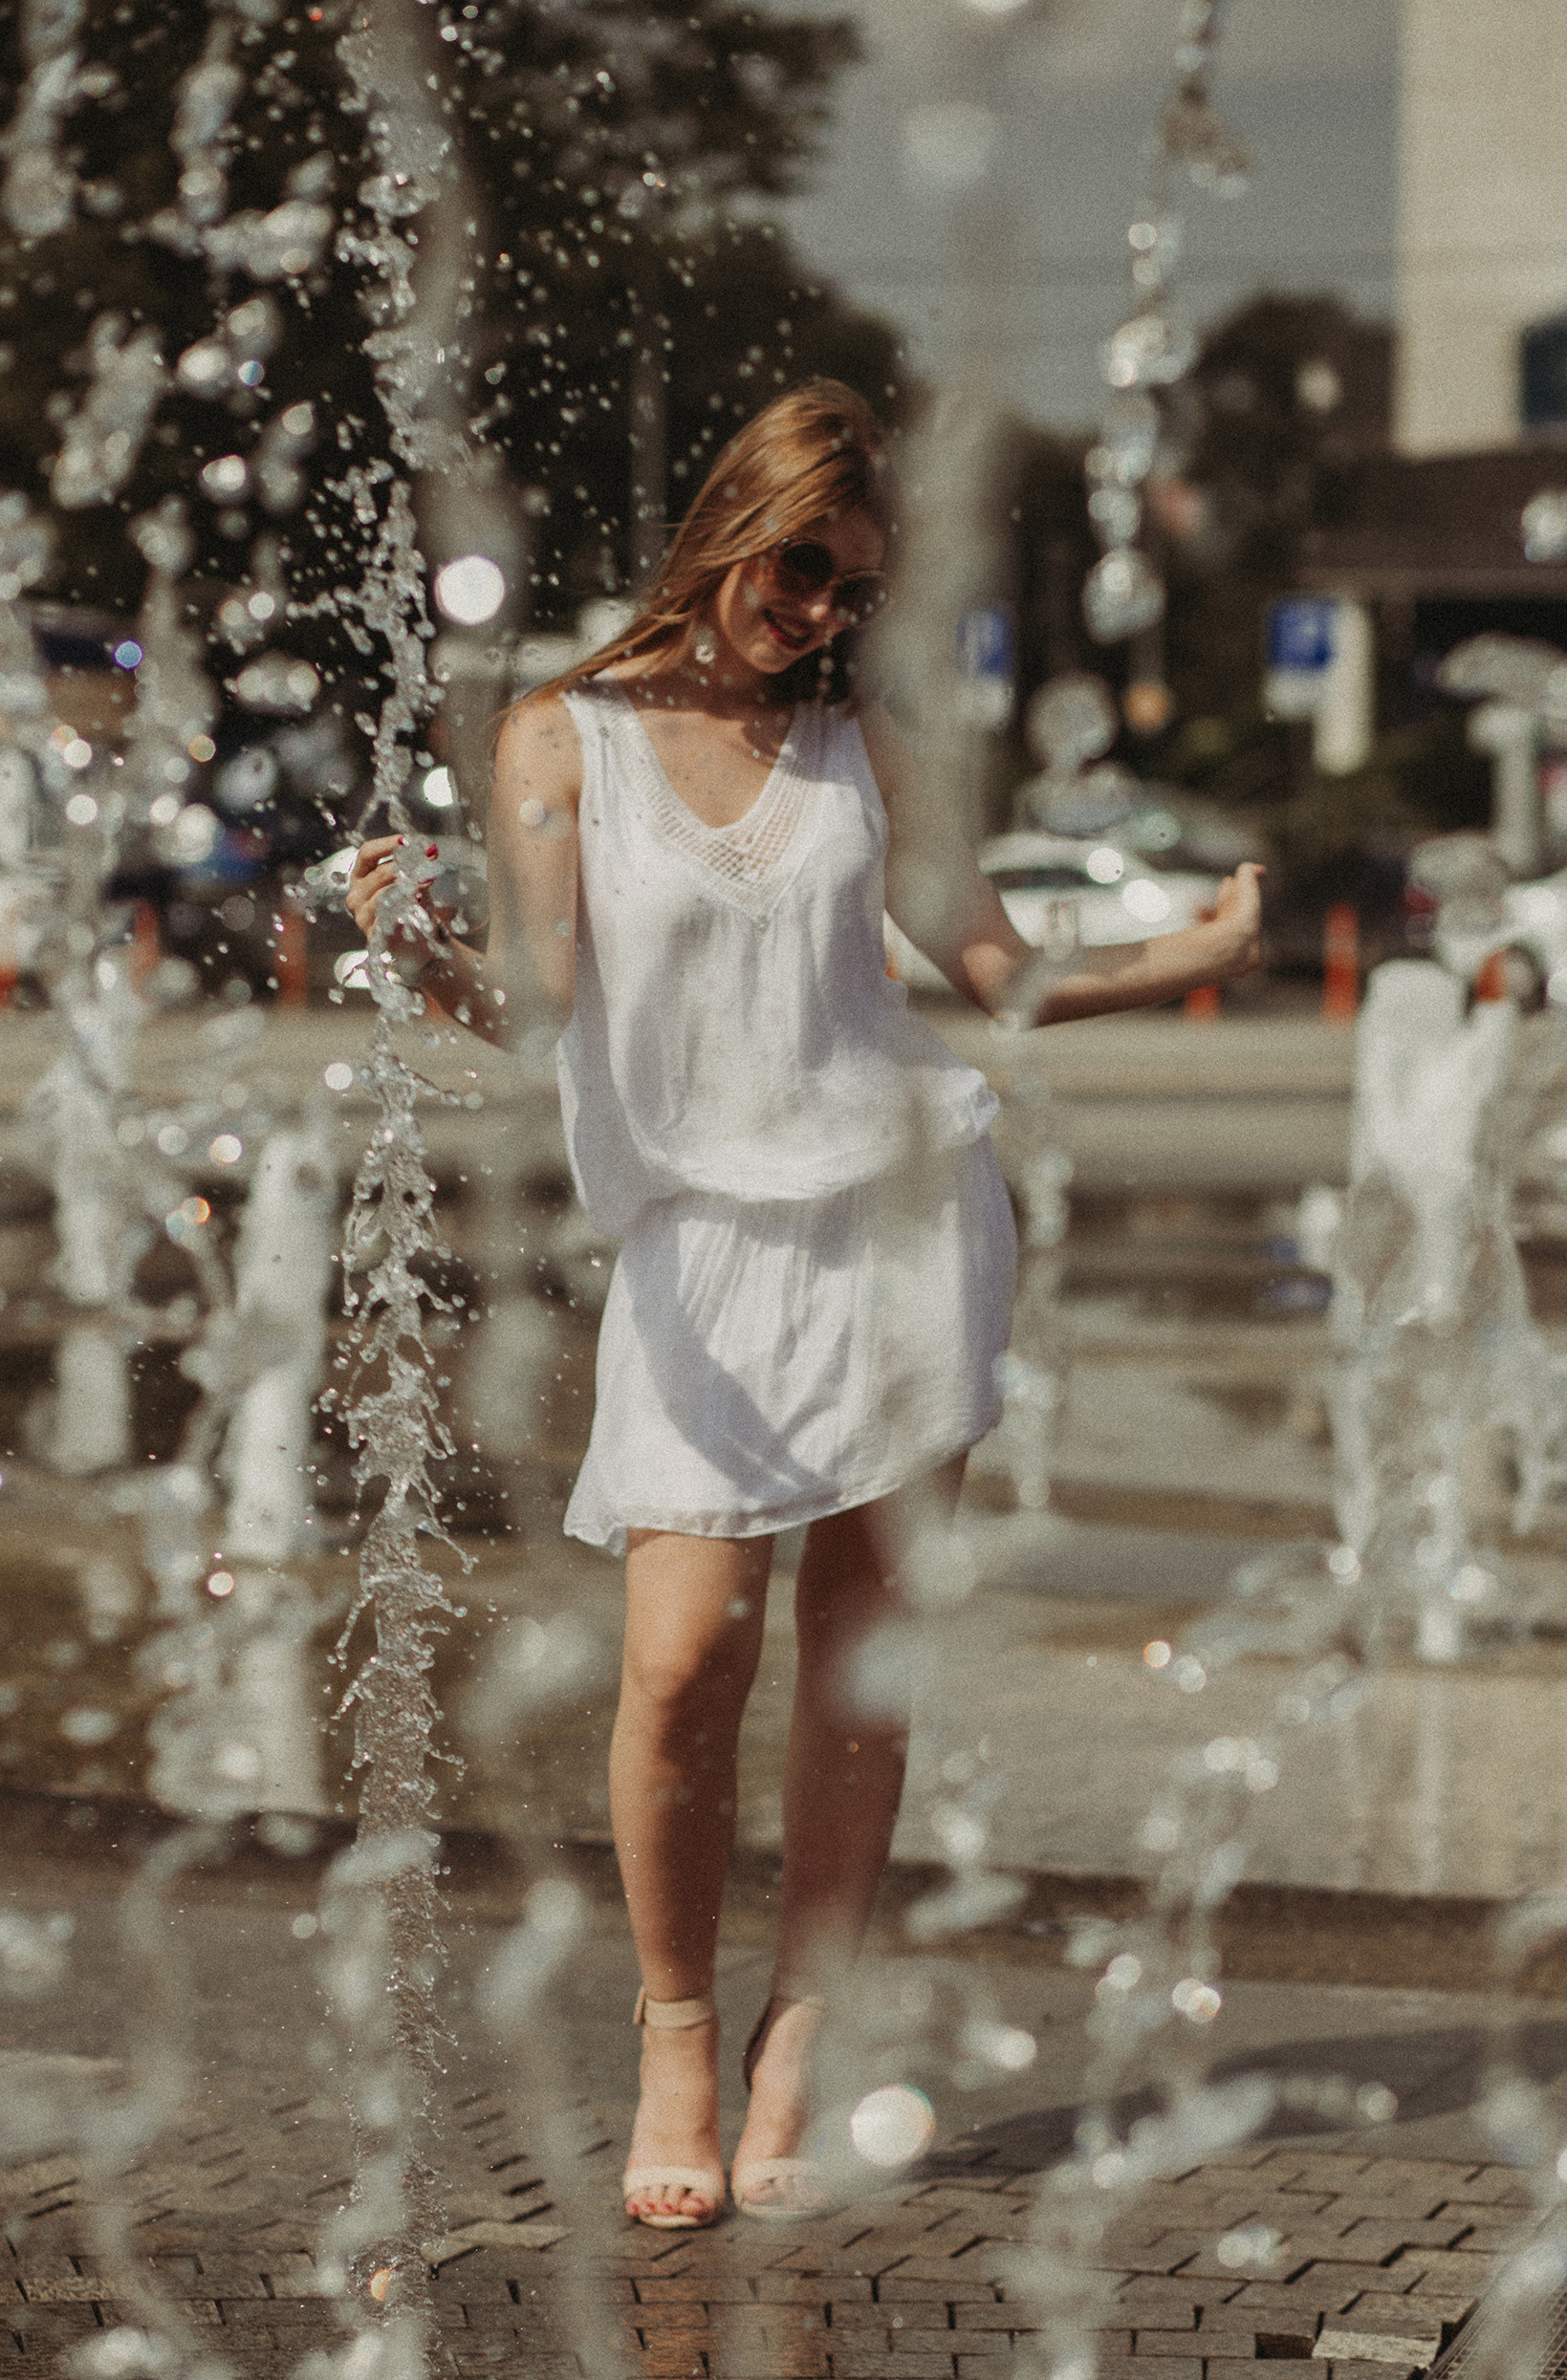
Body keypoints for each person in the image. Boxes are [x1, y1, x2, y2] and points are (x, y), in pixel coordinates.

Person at [346, 379, 1264, 2230]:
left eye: (852, 591)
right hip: (703, 1250)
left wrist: (1198, 951)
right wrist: (419, 948)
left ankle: (799, 2040)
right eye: (801, 569)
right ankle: (677, 2024)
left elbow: (995, 974)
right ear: (726, 527)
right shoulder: (562, 740)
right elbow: (538, 1009)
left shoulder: (870, 749)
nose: (821, 612)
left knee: (854, 1679)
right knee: (684, 1665)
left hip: (904, 1229)